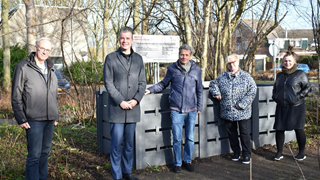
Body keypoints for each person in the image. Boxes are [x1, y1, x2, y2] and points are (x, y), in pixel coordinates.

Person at [145, 44, 203, 173]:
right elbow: (163, 84)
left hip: (192, 110)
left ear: (190, 56)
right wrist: (150, 90)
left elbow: (199, 90)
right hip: (176, 109)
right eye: (182, 54)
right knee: (176, 138)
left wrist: (199, 106)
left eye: (186, 55)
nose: (184, 57)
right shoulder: (172, 69)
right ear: (179, 54)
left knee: (190, 138)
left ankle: (187, 161)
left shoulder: (196, 70)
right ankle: (177, 163)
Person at [11, 37, 59, 180]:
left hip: (49, 119)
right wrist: (21, 117)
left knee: (45, 153)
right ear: (36, 47)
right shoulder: (23, 67)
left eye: (48, 50)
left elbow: (54, 94)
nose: (45, 52)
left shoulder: (51, 68)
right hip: (33, 119)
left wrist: (55, 115)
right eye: (42, 48)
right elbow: (16, 95)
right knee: (34, 155)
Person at [103, 26, 146, 180]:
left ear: (132, 40)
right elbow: (108, 83)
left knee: (129, 144)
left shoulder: (139, 59)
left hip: (133, 109)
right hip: (117, 109)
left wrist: (135, 100)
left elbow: (142, 83)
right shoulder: (111, 58)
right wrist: (120, 101)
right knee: (116, 145)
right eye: (122, 38)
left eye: (128, 38)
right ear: (119, 39)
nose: (125, 41)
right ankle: (117, 176)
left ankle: (127, 173)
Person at [209, 54, 257, 164]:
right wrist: (216, 93)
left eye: (233, 62)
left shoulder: (246, 76)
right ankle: (236, 152)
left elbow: (252, 91)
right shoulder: (223, 76)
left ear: (238, 62)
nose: (232, 65)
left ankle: (246, 154)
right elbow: (213, 84)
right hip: (227, 111)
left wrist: (242, 104)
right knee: (232, 133)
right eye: (229, 63)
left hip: (242, 112)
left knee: (244, 133)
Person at [272, 46, 310, 161]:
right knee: (279, 129)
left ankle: (301, 152)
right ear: (282, 62)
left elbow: (307, 88)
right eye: (285, 61)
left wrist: (297, 97)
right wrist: (275, 97)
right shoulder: (279, 75)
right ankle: (279, 152)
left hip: (296, 106)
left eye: (289, 61)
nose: (287, 63)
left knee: (298, 129)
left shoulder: (300, 74)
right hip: (281, 106)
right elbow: (275, 88)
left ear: (294, 62)